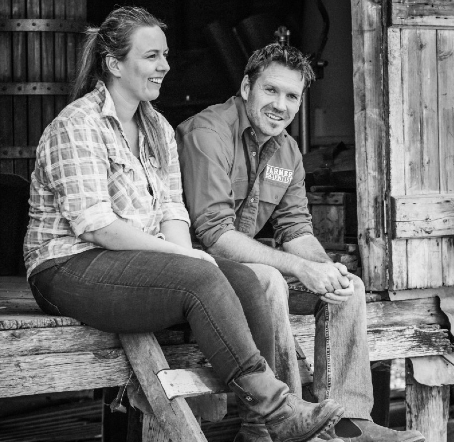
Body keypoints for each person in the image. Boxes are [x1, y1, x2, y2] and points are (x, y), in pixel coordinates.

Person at [23, 7, 343, 442]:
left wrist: (188, 254)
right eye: (152, 56)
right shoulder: (78, 124)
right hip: (67, 267)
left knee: (248, 281)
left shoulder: (156, 127)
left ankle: (260, 431)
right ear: (115, 64)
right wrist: (186, 257)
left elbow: (173, 209)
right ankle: (277, 408)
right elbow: (96, 225)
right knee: (200, 275)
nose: (165, 66)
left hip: (134, 262)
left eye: (166, 55)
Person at [176, 43, 426, 442]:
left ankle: (347, 422)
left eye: (292, 96)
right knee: (268, 279)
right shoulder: (208, 134)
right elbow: (215, 237)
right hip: (196, 275)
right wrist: (297, 267)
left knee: (349, 287)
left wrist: (323, 268)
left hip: (243, 269)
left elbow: (295, 228)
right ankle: (282, 420)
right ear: (245, 87)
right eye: (270, 91)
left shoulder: (287, 149)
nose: (280, 105)